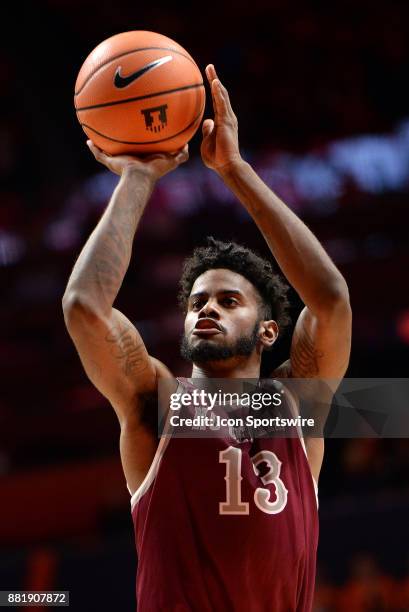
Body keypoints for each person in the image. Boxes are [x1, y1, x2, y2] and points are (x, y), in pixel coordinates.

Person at [62, 64, 352, 611]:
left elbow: (331, 299)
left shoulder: (297, 404)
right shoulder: (156, 404)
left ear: (270, 331)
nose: (207, 310)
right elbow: (83, 307)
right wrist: (136, 179)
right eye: (197, 302)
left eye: (227, 300)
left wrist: (235, 170)